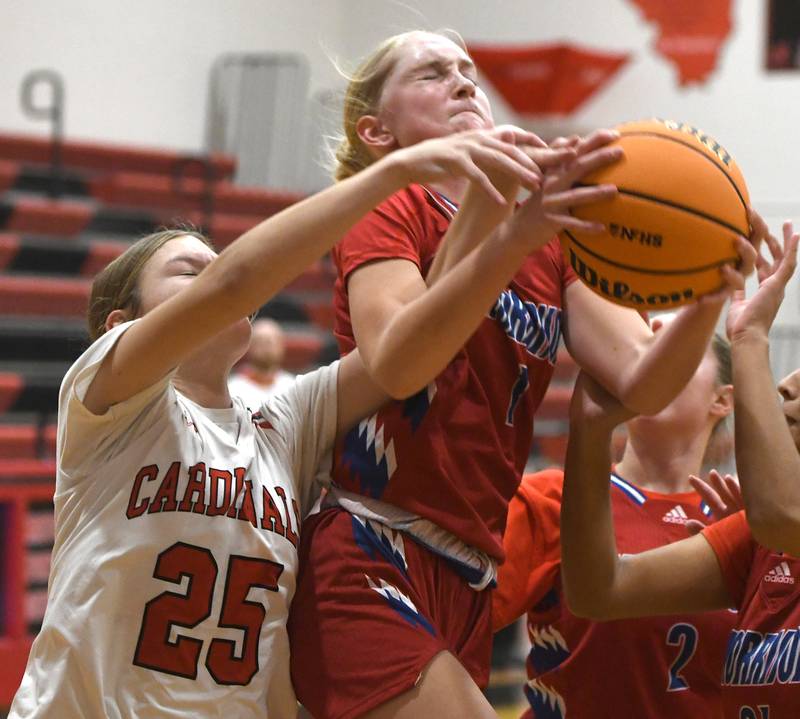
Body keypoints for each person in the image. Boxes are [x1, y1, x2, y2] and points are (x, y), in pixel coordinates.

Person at [8, 127, 601, 718]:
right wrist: (391, 175)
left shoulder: (284, 426)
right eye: (191, 275)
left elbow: (420, 346)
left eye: (214, 268)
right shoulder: (105, 403)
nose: (218, 282)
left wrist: (506, 227)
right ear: (120, 325)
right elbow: (236, 281)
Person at [287, 28, 762, 719]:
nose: (461, 81)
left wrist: (713, 286)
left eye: (466, 69)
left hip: (470, 572)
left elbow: (643, 382)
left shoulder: (547, 245)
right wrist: (507, 223)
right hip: (372, 542)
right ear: (377, 131)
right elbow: (397, 360)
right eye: (430, 74)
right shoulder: (389, 206)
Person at [559, 223, 800, 718]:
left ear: (722, 400)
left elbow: (782, 513)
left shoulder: (772, 521)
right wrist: (589, 432)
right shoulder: (757, 538)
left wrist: (750, 336)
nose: (789, 384)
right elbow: (597, 591)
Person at [493, 323, 737, 719]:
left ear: (722, 400)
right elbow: (444, 621)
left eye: (678, 355)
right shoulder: (556, 499)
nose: (654, 367)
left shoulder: (747, 524)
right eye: (647, 353)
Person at [228, 317, 296, 406]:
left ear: (282, 346)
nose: (266, 347)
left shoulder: (293, 387)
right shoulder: (233, 389)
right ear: (249, 347)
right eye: (260, 341)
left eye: (270, 342)